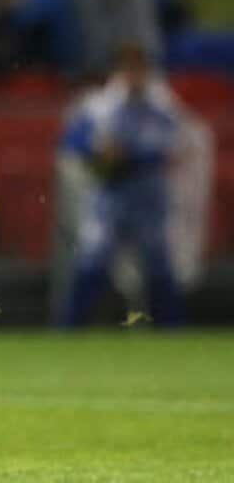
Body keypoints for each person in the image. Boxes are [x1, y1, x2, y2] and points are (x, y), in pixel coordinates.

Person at [56, 44, 186, 327]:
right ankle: (68, 328)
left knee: (158, 262)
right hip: (109, 191)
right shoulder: (100, 104)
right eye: (128, 68)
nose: (134, 75)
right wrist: (98, 153)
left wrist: (128, 152)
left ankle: (172, 330)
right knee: (94, 259)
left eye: (139, 68)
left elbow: (173, 146)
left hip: (147, 191)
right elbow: (73, 141)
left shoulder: (161, 104)